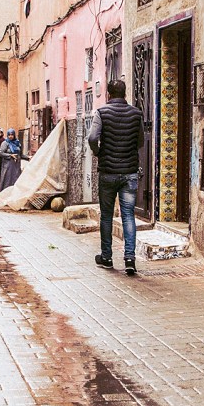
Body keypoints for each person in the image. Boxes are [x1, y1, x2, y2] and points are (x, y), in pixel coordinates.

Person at [88, 79, 144, 276]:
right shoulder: (136, 114)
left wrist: (99, 152)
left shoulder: (102, 113)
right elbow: (140, 142)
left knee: (106, 215)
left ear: (109, 94)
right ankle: (130, 259)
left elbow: (93, 138)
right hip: (129, 173)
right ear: (125, 93)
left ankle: (107, 257)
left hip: (108, 173)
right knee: (128, 215)